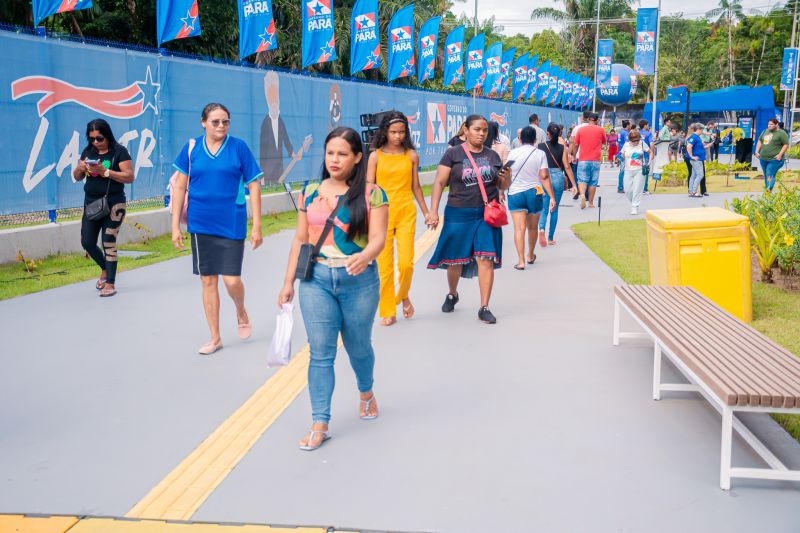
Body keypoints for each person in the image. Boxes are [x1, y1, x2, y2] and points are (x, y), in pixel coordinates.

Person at [278, 127, 389, 452]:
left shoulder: (372, 194)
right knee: (320, 352)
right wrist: (287, 282)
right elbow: (301, 239)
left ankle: (366, 392)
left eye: (342, 154)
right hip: (317, 280)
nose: (334, 160)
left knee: (359, 347)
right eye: (330, 153)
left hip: (359, 281)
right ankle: (320, 422)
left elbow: (379, 238)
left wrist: (365, 256)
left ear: (357, 158)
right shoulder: (310, 191)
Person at [170, 103, 264, 355]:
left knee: (232, 280)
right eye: (215, 122)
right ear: (203, 122)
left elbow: (254, 186)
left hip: (231, 221)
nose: (221, 126)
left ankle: (240, 310)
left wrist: (257, 225)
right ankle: (215, 337)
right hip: (200, 223)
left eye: (225, 121)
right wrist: (175, 226)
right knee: (208, 280)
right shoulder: (191, 148)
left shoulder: (239, 147)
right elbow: (180, 187)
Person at [426, 114, 511, 325]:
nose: (481, 134)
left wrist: (505, 178)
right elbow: (439, 183)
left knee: (486, 258)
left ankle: (484, 307)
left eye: (484, 130)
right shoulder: (452, 154)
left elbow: (502, 186)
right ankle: (452, 293)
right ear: (466, 130)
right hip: (458, 213)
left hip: (485, 215)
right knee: (455, 260)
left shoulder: (492, 156)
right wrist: (433, 211)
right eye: (477, 129)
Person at [366, 111, 429, 326]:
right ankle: (388, 310)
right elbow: (369, 188)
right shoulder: (375, 156)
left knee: (406, 264)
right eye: (393, 132)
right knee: (384, 267)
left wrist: (427, 212)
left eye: (401, 132)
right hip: (381, 214)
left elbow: (416, 187)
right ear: (385, 131)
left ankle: (402, 295)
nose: (397, 136)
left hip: (405, 212)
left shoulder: (411, 155)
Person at [72, 119, 135, 298]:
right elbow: (77, 177)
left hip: (114, 204)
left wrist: (105, 172)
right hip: (92, 204)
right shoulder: (88, 151)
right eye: (92, 139)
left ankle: (110, 283)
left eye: (99, 138)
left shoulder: (119, 151)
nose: (96, 142)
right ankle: (105, 269)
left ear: (107, 135)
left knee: (108, 241)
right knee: (87, 242)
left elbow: (129, 176)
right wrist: (80, 168)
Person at [506, 126, 554, 269]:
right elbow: (544, 176)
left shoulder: (512, 153)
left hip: (515, 192)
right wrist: (552, 196)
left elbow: (506, 173)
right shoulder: (540, 154)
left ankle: (521, 261)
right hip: (534, 192)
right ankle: (531, 255)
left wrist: (502, 191)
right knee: (532, 228)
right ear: (535, 140)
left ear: (520, 139)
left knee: (519, 228)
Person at [539, 122, 576, 246]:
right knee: (554, 209)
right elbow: (567, 167)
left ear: (548, 134)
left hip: (545, 176)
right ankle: (550, 238)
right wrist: (574, 184)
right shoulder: (562, 148)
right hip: (558, 176)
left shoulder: (541, 146)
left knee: (544, 208)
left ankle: (541, 229)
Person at [570, 112, 606, 209]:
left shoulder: (581, 130)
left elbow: (576, 144)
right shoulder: (601, 130)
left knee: (582, 180)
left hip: (583, 159)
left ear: (588, 119)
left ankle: (582, 194)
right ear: (597, 120)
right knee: (593, 182)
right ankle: (590, 203)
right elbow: (604, 143)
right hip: (596, 160)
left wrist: (574, 156)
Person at [620, 129, 650, 215]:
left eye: (637, 140)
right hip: (628, 170)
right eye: (633, 141)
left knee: (637, 189)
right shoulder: (626, 145)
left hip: (639, 170)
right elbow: (622, 155)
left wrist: (649, 162)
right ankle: (634, 202)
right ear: (630, 140)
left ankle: (634, 206)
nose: (635, 142)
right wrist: (621, 158)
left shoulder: (642, 144)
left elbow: (650, 152)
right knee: (628, 190)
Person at [755, 117, 790, 192]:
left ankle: (769, 189)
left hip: (774, 159)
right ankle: (768, 192)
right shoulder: (765, 131)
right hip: (763, 158)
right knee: (766, 175)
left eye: (771, 124)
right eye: (768, 124)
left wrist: (780, 155)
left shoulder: (781, 133)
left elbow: (786, 144)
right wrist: (757, 151)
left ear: (776, 125)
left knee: (769, 173)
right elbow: (760, 141)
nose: (769, 126)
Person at [686, 123, 707, 197]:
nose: (702, 132)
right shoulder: (694, 137)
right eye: (701, 130)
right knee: (700, 175)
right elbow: (689, 146)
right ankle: (694, 191)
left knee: (693, 175)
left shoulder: (697, 137)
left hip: (698, 159)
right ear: (698, 129)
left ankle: (691, 191)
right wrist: (692, 156)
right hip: (696, 160)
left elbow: (697, 147)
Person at [616, 120, 632, 193]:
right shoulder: (626, 133)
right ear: (627, 125)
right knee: (623, 171)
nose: (630, 126)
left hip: (620, 153)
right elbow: (627, 144)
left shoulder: (620, 132)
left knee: (622, 170)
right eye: (630, 124)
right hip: (625, 153)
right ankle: (621, 187)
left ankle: (621, 187)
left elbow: (617, 143)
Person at [638, 120, 653, 193]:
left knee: (638, 172)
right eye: (647, 124)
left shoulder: (637, 133)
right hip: (646, 155)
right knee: (645, 171)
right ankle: (644, 189)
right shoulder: (648, 133)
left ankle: (638, 188)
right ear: (645, 125)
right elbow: (652, 144)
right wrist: (652, 153)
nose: (648, 126)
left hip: (637, 155)